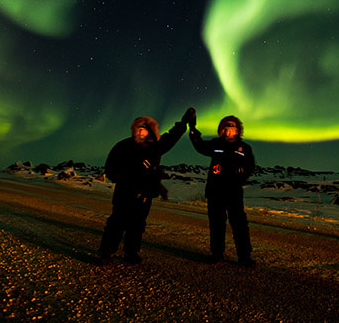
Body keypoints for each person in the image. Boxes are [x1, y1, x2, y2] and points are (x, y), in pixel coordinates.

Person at [99, 107, 196, 265]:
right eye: (138, 129)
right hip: (124, 192)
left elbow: (171, 137)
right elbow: (110, 164)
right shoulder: (123, 146)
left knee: (137, 225)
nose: (140, 132)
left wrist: (184, 122)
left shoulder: (155, 147)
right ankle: (106, 252)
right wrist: (116, 176)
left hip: (144, 194)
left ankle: (131, 253)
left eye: (144, 129)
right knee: (117, 222)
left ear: (150, 131)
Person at [190, 115, 255, 266]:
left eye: (231, 128)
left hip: (233, 192)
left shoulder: (244, 148)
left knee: (239, 224)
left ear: (237, 130)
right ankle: (217, 254)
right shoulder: (216, 144)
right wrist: (193, 132)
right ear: (222, 131)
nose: (228, 131)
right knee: (216, 224)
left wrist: (240, 172)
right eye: (225, 128)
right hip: (215, 191)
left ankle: (244, 256)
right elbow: (200, 146)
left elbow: (250, 166)